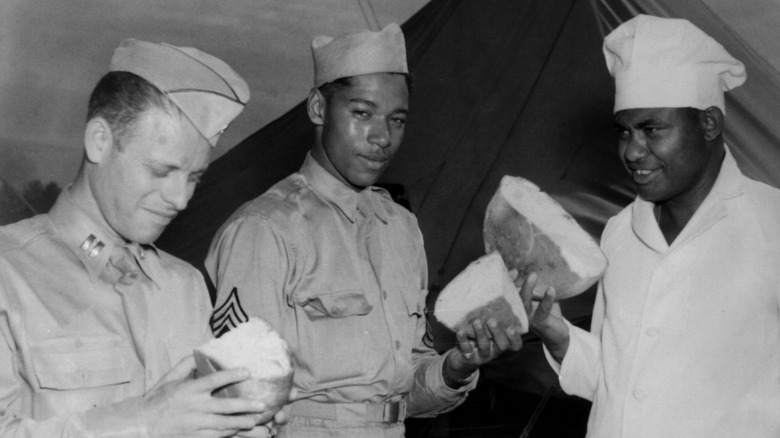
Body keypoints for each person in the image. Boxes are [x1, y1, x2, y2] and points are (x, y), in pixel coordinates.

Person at [205, 23, 525, 437]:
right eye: (362, 113)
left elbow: (403, 394)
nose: (382, 137)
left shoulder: (401, 228)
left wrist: (458, 365)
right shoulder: (263, 231)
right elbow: (239, 403)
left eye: (397, 119)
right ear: (318, 108)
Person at [0, 39, 285, 437]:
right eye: (160, 171)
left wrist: (239, 423)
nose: (181, 199)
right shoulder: (9, 274)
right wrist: (147, 421)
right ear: (99, 141)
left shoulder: (184, 286)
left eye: (194, 177)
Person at [523, 14, 780, 437]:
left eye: (652, 129)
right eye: (623, 132)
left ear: (709, 124)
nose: (633, 151)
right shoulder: (620, 231)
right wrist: (557, 334)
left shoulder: (771, 223)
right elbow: (614, 382)